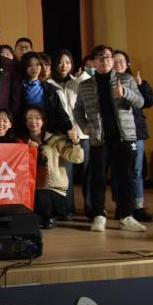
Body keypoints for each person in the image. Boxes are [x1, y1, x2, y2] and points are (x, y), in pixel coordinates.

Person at [72, 45, 147, 232]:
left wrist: (125, 93)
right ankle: (98, 214)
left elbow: (140, 102)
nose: (105, 60)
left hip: (124, 136)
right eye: (100, 57)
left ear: (112, 60)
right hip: (100, 138)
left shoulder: (126, 79)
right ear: (94, 62)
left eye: (108, 57)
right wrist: (84, 126)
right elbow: (77, 110)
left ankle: (126, 216)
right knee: (97, 178)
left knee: (125, 177)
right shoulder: (85, 85)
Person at [112, 50, 153, 223]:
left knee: (137, 170)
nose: (118, 64)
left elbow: (149, 101)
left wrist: (141, 85)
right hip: (117, 132)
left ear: (127, 63)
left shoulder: (134, 81)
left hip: (136, 131)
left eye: (121, 61)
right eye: (115, 61)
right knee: (119, 171)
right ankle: (121, 205)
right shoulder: (107, 81)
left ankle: (138, 206)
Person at [25, 106, 84, 229]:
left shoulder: (55, 140)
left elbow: (77, 158)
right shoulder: (22, 141)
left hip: (54, 188)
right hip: (32, 189)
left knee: (42, 198)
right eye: (29, 118)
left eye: (37, 118)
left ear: (43, 121)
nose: (33, 121)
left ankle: (46, 218)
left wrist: (75, 141)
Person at [49, 49, 90, 218]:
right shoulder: (49, 84)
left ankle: (91, 208)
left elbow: (91, 99)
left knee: (88, 172)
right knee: (66, 174)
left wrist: (83, 77)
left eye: (67, 62)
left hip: (82, 133)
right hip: (63, 135)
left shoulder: (78, 82)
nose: (63, 66)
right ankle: (67, 209)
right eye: (60, 62)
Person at [18, 52, 72, 136]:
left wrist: (69, 128)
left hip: (48, 132)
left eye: (37, 65)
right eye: (30, 65)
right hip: (25, 132)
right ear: (24, 67)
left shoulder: (50, 89)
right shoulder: (18, 88)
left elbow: (60, 113)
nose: (34, 68)